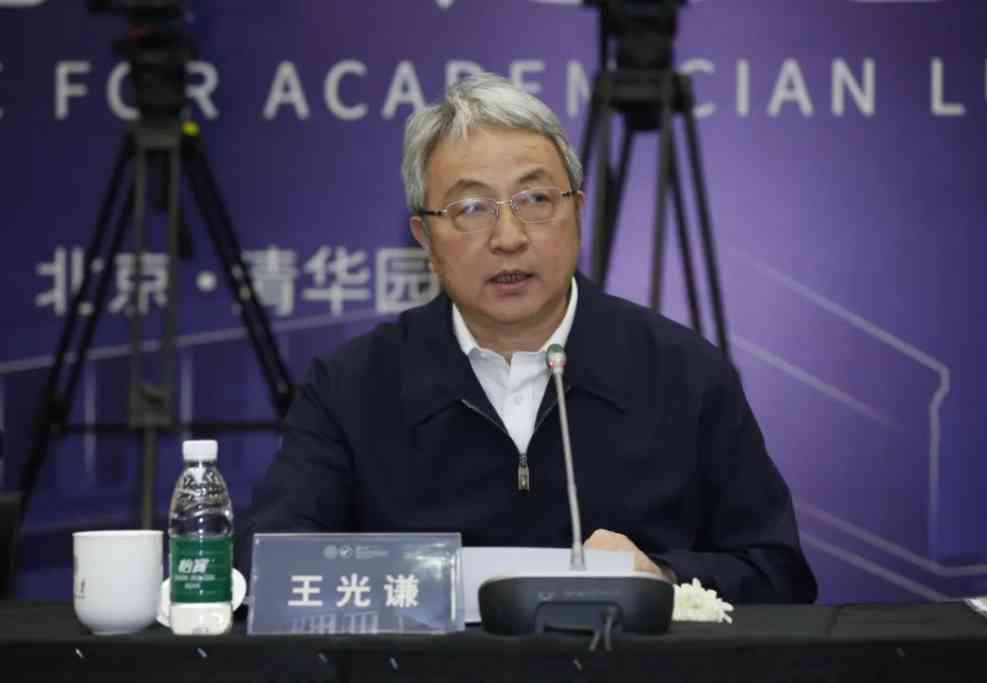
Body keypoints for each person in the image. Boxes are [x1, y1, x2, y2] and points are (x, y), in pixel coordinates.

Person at [239, 73, 817, 604]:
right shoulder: (352, 387)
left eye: (535, 200)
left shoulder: (684, 372)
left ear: (577, 214)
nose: (509, 237)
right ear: (425, 239)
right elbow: (265, 565)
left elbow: (778, 573)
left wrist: (662, 579)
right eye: (471, 208)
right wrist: (413, 579)